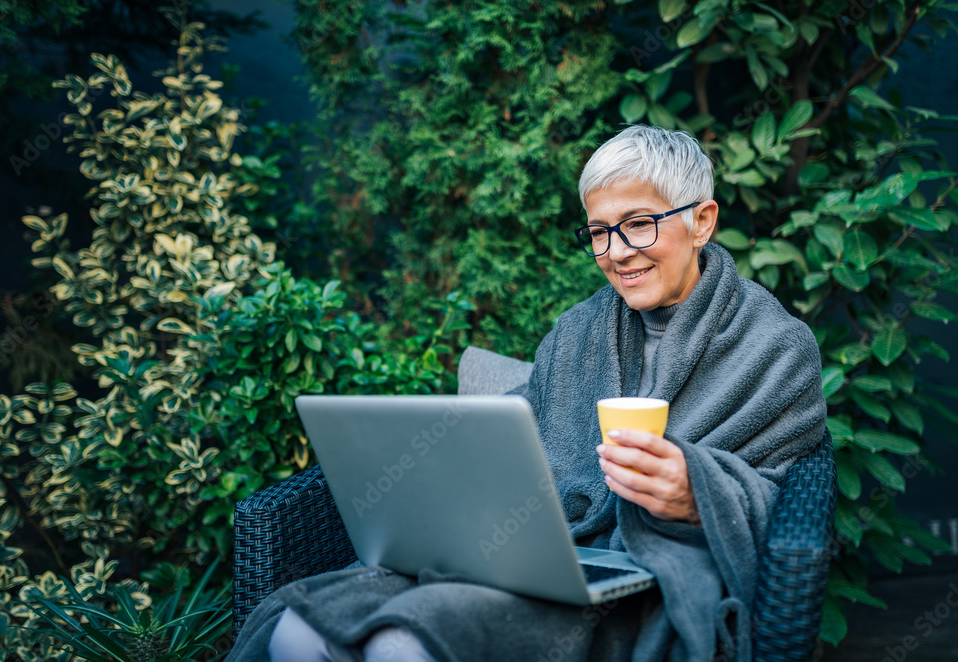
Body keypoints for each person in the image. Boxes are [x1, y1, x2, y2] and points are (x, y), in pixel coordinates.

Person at [226, 125, 827, 662]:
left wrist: (698, 494)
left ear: (702, 220)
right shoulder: (576, 333)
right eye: (599, 232)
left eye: (639, 223)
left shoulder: (774, 347)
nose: (616, 253)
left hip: (655, 578)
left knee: (401, 642)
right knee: (296, 632)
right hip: (537, 562)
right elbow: (521, 439)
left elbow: (794, 503)